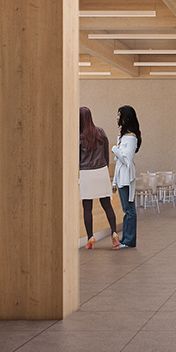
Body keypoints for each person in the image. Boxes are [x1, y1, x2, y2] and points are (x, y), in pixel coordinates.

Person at [76, 107, 119, 250]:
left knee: (87, 207)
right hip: (101, 171)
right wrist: (105, 170)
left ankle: (90, 237)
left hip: (86, 173)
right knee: (106, 204)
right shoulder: (101, 132)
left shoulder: (79, 136)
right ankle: (114, 233)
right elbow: (106, 154)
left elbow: (77, 158)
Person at [113, 107, 141, 249]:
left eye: (119, 115)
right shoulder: (123, 136)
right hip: (121, 176)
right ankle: (125, 238)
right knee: (126, 210)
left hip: (127, 177)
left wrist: (115, 150)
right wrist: (114, 181)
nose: (117, 118)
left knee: (129, 210)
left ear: (126, 118)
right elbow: (119, 163)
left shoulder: (131, 137)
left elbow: (127, 160)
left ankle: (129, 240)